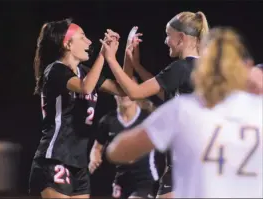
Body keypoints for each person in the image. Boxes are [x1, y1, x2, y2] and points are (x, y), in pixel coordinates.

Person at [105, 27, 263, 198]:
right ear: (246, 67)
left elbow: (117, 151)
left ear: (203, 68)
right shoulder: (257, 110)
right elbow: (163, 88)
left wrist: (110, 59)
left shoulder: (184, 109)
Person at [102, 11, 209, 198]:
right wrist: (136, 65)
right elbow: (163, 91)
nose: (166, 40)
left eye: (168, 35)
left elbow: (134, 93)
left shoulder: (180, 67)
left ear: (181, 38)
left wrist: (110, 58)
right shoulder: (201, 68)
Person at [29, 18, 126, 198]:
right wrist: (103, 56)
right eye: (82, 37)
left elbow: (124, 90)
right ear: (67, 44)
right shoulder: (55, 70)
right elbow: (86, 87)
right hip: (55, 158)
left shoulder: (86, 72)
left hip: (78, 162)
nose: (89, 42)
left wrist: (123, 56)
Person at [89, 95, 159, 199]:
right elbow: (97, 147)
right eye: (121, 91)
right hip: (120, 180)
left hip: (145, 179)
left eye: (127, 91)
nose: (124, 95)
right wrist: (94, 158)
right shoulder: (108, 120)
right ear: (115, 94)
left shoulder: (148, 118)